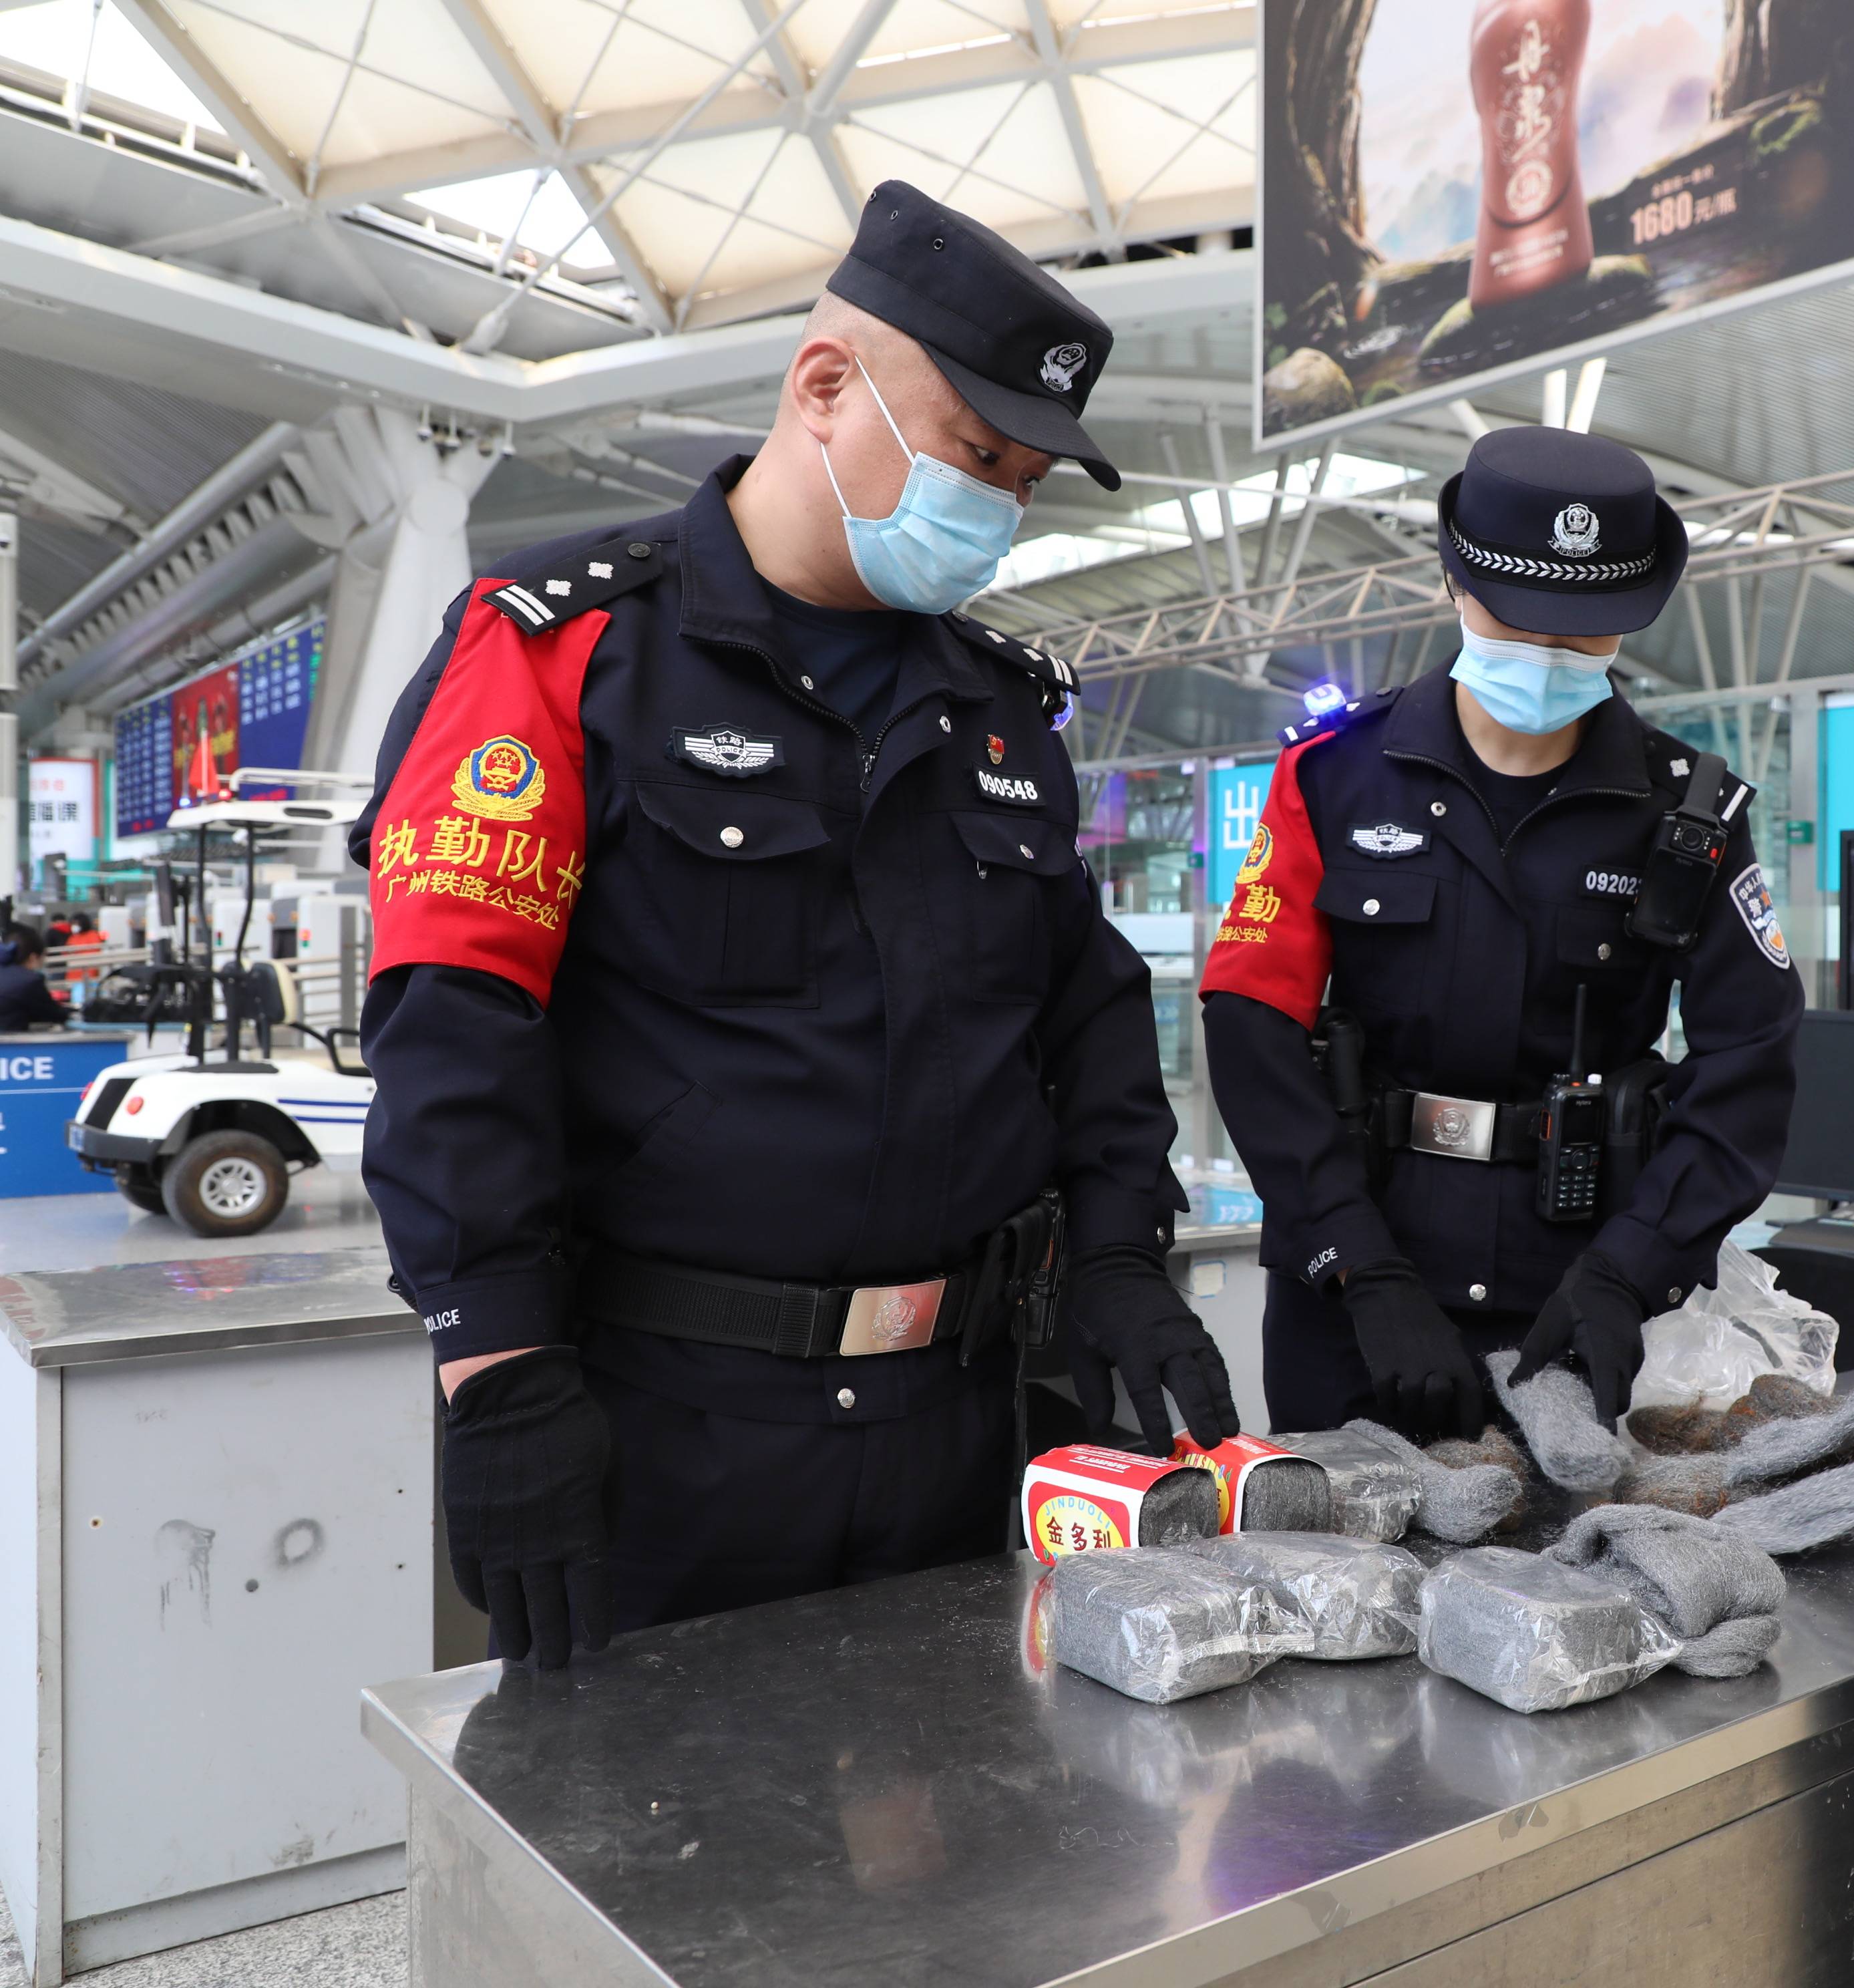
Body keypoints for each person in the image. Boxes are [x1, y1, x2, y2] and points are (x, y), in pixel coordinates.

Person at [353, 183, 1236, 1671]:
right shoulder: (561, 648)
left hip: (958, 1424)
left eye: (1025, 479)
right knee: (647, 1864)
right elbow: (455, 1016)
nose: (1000, 508)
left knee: (957, 1850)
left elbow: (1084, 1011)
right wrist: (496, 1368)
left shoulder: (999, 712)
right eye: (976, 453)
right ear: (826, 387)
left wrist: (1123, 1254)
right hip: (663, 1429)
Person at [1199, 426, 1803, 1438]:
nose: (1548, 654)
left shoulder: (1688, 817)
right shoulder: (1331, 780)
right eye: (1519, 622)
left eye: (1582, 631)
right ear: (1453, 584)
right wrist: (1359, 1265)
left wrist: (1631, 1273)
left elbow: (1752, 1058)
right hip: (1352, 1294)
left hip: (1571, 1300)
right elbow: (1250, 1022)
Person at [0, 927, 65, 1029]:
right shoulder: (30, 981)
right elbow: (55, 1015)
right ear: (33, 958)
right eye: (43, 958)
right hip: (11, 1043)